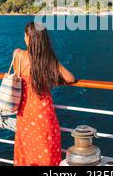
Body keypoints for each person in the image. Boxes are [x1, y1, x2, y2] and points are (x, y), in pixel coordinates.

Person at [13, 21, 75, 166]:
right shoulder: (46, 60)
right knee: (45, 152)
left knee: (27, 152)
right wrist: (49, 57)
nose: (23, 38)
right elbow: (70, 78)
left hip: (24, 113)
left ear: (29, 37)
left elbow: (18, 76)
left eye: (25, 35)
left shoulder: (18, 55)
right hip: (43, 115)